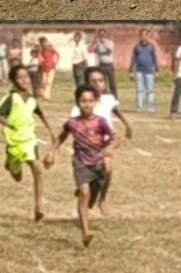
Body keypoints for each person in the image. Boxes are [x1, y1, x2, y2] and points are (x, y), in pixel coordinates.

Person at [44, 85, 113, 246]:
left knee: (91, 198)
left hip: (97, 164)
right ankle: (86, 232)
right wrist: (52, 152)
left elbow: (113, 138)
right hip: (80, 162)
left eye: (90, 101)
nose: (87, 104)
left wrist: (108, 148)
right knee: (84, 193)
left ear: (95, 102)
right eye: (83, 101)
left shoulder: (100, 122)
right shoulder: (72, 123)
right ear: (77, 103)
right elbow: (62, 136)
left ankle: (92, 198)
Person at [70, 66, 131, 215]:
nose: (97, 84)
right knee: (93, 174)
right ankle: (86, 188)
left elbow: (116, 111)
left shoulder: (109, 99)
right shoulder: (84, 102)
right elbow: (73, 123)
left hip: (106, 142)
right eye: (93, 81)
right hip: (88, 145)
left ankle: (102, 199)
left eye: (100, 80)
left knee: (108, 169)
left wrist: (127, 124)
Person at [1, 65, 53, 222]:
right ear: (13, 81)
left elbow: (41, 114)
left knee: (37, 170)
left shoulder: (31, 99)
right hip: (14, 142)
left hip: (30, 140)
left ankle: (39, 208)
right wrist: (8, 125)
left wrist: (52, 132)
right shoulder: (11, 98)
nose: (24, 80)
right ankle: (11, 164)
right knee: (17, 177)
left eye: (26, 77)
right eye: (20, 77)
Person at [89, 27, 117, 97]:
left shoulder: (110, 42)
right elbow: (89, 50)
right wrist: (94, 42)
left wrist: (103, 42)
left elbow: (110, 50)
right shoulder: (98, 44)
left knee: (112, 84)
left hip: (109, 65)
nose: (102, 36)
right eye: (100, 35)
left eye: (103, 35)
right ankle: (104, 100)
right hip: (101, 66)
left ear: (105, 35)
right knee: (103, 85)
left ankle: (115, 102)